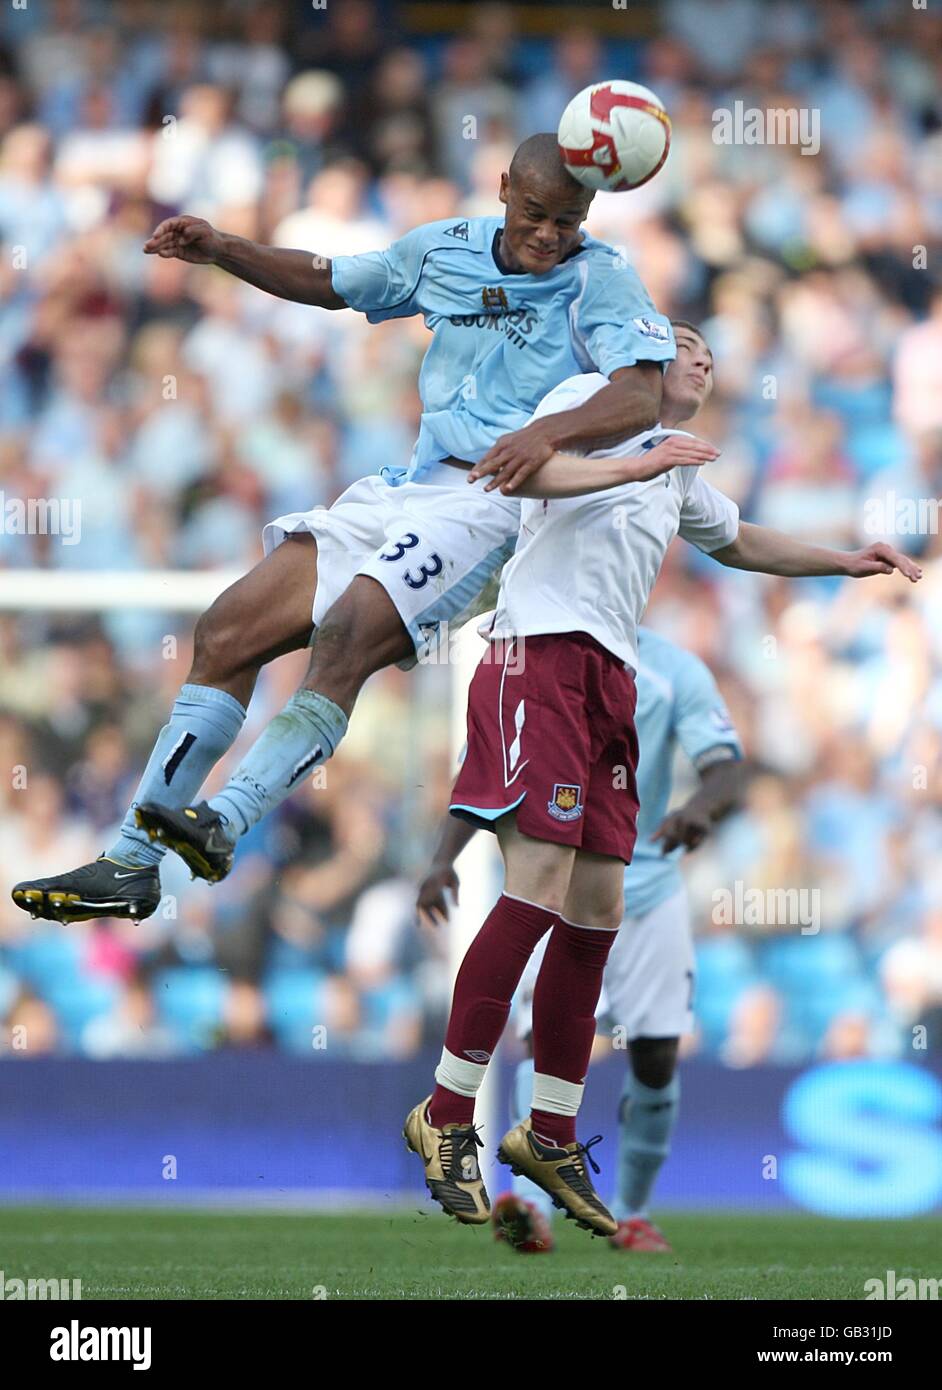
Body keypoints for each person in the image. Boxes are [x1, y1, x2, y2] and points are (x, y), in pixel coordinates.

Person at [13, 135, 683, 926]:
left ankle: (224, 823)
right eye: (535, 214)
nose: (548, 234)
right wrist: (225, 248)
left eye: (566, 221)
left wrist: (548, 434)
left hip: (498, 501)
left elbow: (642, 395)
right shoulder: (446, 249)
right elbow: (331, 283)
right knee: (227, 630)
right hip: (403, 488)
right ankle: (130, 863)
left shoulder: (600, 278)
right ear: (502, 189)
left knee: (348, 634)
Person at [402, 323, 921, 1234]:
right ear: (640, 359)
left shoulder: (678, 468)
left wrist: (843, 562)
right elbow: (517, 473)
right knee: (541, 883)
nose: (704, 358)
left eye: (711, 354)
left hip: (609, 673)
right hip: (540, 653)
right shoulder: (588, 407)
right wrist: (635, 464)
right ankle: (445, 1114)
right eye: (684, 344)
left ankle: (551, 1129)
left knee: (598, 903)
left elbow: (741, 542)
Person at [418, 625, 747, 1255]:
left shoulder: (673, 668)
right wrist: (443, 858)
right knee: (543, 1036)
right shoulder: (543, 658)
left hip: (648, 891)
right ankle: (531, 1203)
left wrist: (700, 808)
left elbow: (728, 767)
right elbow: (483, 765)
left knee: (654, 1057)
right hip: (558, 879)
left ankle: (634, 1212)